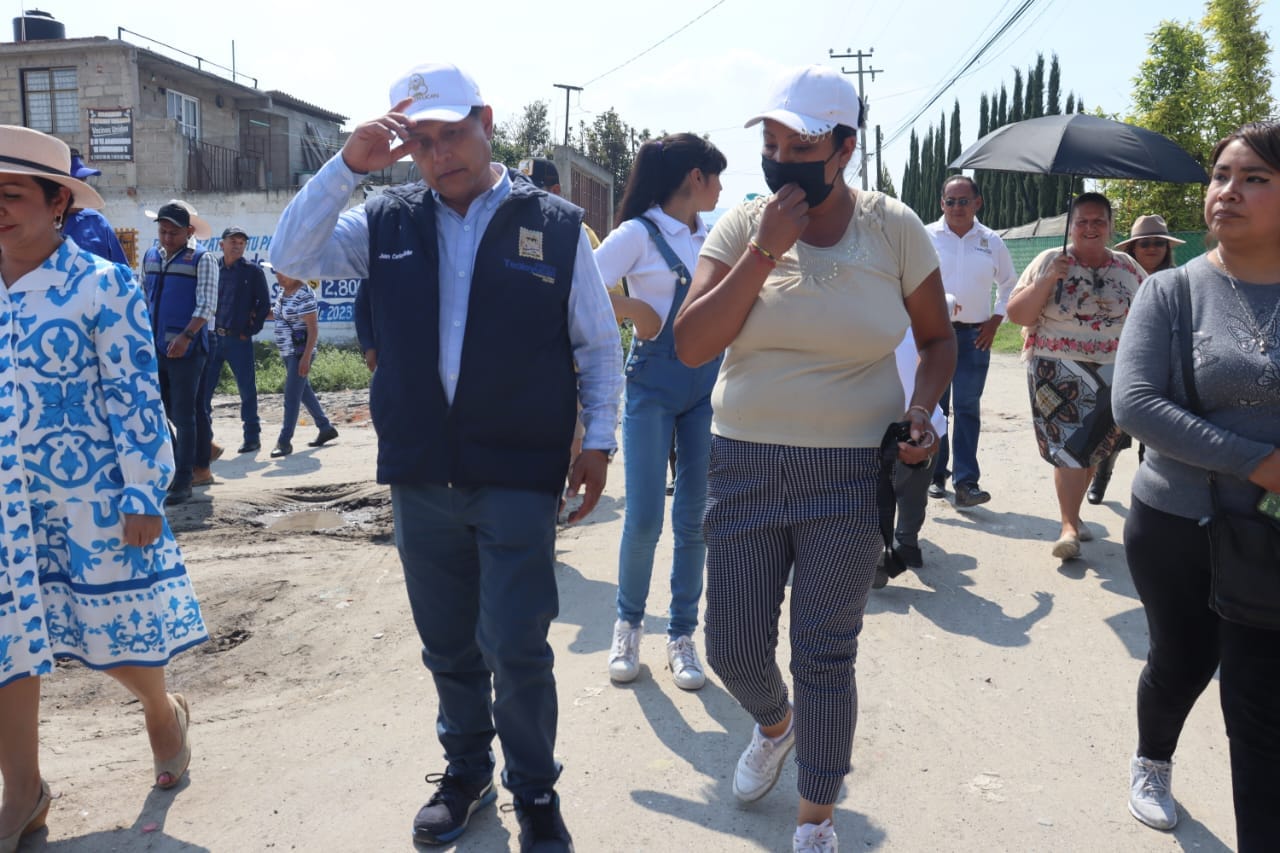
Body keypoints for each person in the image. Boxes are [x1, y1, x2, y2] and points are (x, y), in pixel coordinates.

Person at [269, 61, 621, 852]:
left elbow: (597, 345)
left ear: (486, 121)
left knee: (518, 641)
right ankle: (465, 772)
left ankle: (534, 789)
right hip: (423, 471)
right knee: (449, 641)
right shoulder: (386, 220)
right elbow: (293, 254)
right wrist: (348, 164)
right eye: (420, 141)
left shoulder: (556, 224)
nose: (438, 154)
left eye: (452, 133)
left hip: (518, 472)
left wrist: (598, 440)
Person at [673, 65, 954, 853]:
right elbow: (693, 345)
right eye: (771, 142)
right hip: (746, 466)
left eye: (801, 144)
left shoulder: (893, 228)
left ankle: (816, 818)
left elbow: (936, 342)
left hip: (848, 475)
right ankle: (774, 722)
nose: (782, 157)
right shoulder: (744, 226)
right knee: (729, 642)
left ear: (844, 148)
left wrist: (922, 410)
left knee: (825, 653)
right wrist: (764, 252)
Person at [0, 125, 207, 852]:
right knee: (6, 645)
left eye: (12, 193)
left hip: (87, 494)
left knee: (111, 637)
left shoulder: (101, 282)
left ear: (58, 202)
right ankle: (23, 790)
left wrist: (144, 489)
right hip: (3, 503)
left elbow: (134, 393)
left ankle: (161, 706)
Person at [1113, 120, 1280, 850]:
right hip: (1181, 524)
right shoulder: (1173, 292)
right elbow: (1137, 404)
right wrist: (1256, 461)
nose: (1228, 191)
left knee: (1259, 704)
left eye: (1254, 179)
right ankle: (1153, 759)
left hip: (1273, 535)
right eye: (1221, 175)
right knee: (1183, 659)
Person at [592, 133, 726, 690]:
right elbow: (573, 291)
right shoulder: (636, 234)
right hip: (651, 386)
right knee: (645, 517)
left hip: (707, 389)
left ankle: (681, 635)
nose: (721, 187)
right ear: (694, 178)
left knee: (694, 518)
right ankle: (627, 625)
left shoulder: (715, 236)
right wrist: (637, 311)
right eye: (716, 175)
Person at [1006, 192, 1140, 560]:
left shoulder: (1127, 268)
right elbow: (1017, 314)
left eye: (1099, 221)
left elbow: (1149, 315)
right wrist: (1047, 280)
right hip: (1056, 368)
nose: (1090, 228)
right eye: (1082, 221)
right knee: (1068, 448)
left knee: (1095, 446)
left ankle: (1075, 516)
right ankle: (1068, 527)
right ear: (1071, 226)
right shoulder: (1050, 260)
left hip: (1112, 369)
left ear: (1111, 227)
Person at [926, 175, 1017, 508]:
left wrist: (996, 320)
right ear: (941, 204)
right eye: (950, 201)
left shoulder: (991, 241)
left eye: (964, 201)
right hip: (934, 334)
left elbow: (1010, 284)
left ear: (977, 203)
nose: (956, 207)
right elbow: (910, 280)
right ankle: (935, 475)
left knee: (966, 407)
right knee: (934, 407)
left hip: (975, 335)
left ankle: (967, 482)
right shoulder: (926, 236)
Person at [1087, 214, 1184, 504]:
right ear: (1133, 248)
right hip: (1121, 359)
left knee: (1154, 431)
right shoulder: (1116, 275)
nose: (1153, 248)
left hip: (1165, 361)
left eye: (1159, 243)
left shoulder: (1178, 280)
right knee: (1113, 426)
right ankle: (1100, 479)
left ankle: (1147, 490)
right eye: (1145, 243)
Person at [141, 199, 217, 505]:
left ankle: (184, 478)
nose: (167, 238)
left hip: (188, 350)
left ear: (188, 231)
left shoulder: (202, 259)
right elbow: (143, 298)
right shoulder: (149, 256)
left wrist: (186, 336)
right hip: (155, 348)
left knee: (184, 415)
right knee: (158, 411)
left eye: (173, 232)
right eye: (163, 231)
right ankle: (176, 464)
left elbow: (206, 305)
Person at [195, 226, 272, 481]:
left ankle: (252, 437)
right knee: (204, 392)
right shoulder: (212, 269)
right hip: (214, 337)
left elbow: (263, 305)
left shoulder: (252, 272)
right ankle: (205, 442)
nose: (237, 246)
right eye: (232, 241)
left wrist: (250, 329)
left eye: (241, 242)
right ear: (222, 244)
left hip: (238, 339)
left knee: (247, 390)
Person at [874, 329, 949, 588]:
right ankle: (891, 547)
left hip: (918, 426)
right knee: (889, 494)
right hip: (876, 428)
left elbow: (937, 354)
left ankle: (905, 542)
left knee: (910, 493)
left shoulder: (918, 324)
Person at [269, 271, 338, 457]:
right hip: (287, 352)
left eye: (284, 273)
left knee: (291, 396)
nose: (279, 277)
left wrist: (306, 357)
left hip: (299, 354)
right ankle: (325, 427)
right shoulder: (284, 292)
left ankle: (284, 442)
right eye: (277, 273)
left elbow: (313, 329)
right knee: (304, 392)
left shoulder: (304, 293)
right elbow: (279, 315)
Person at [59, 149, 129, 265]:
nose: (84, 189)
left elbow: (124, 275)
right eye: (78, 183)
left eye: (84, 181)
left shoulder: (97, 223)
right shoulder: (37, 226)